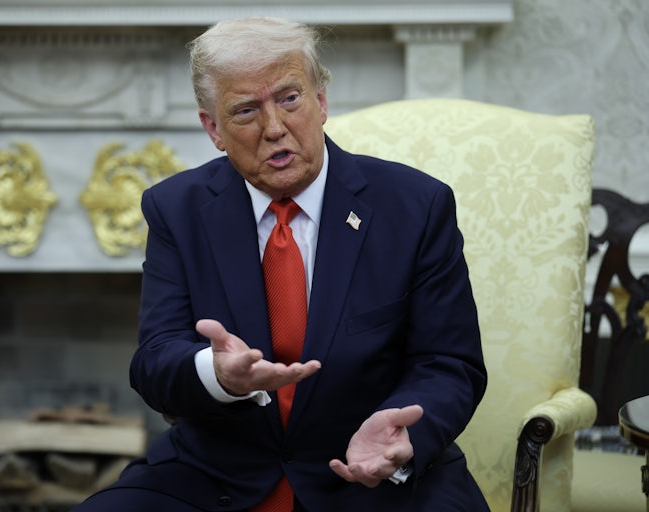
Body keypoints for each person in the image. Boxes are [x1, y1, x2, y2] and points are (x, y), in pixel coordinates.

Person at [73, 16, 489, 511]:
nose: (274, 128)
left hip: (368, 472)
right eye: (246, 110)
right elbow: (156, 360)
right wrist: (217, 374)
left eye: (289, 99)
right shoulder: (176, 209)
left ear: (321, 101)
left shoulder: (415, 205)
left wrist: (401, 433)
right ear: (214, 129)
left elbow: (449, 363)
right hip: (217, 472)